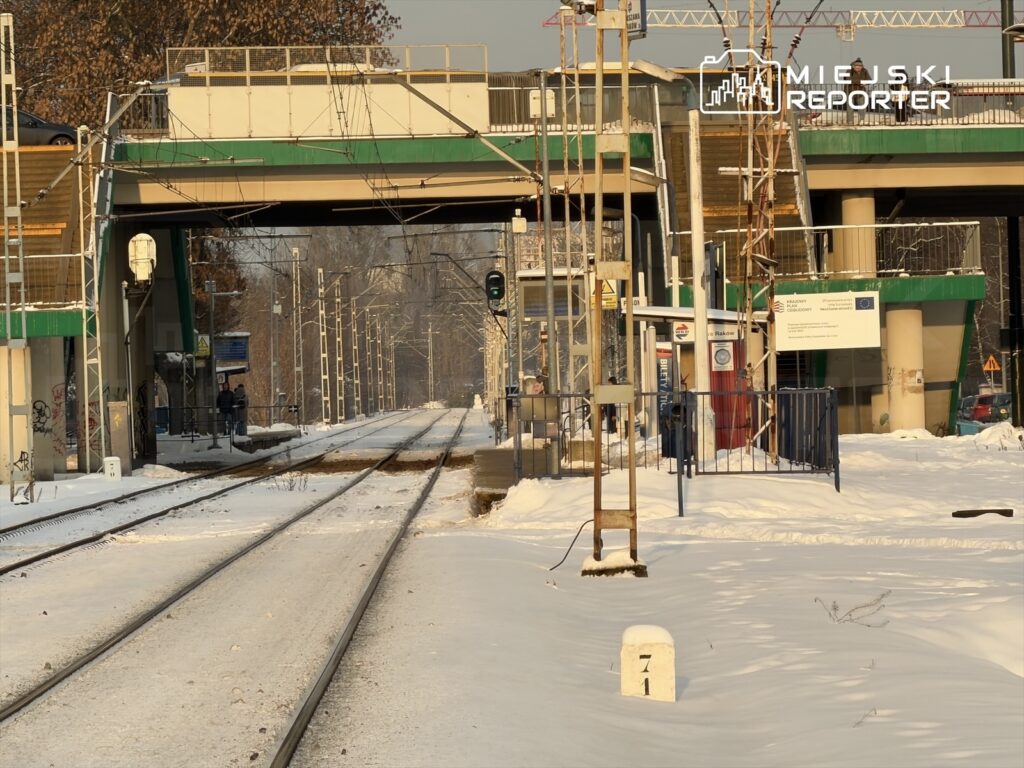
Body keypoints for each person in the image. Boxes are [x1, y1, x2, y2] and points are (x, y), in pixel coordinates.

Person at [845, 58, 869, 124]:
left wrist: (865, 82)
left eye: (859, 66)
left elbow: (869, 79)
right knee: (850, 107)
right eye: (856, 66)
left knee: (862, 106)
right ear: (853, 66)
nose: (858, 67)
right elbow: (849, 80)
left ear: (862, 66)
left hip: (861, 91)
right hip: (850, 91)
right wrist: (861, 82)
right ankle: (850, 121)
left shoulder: (865, 71)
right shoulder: (849, 71)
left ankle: (861, 120)